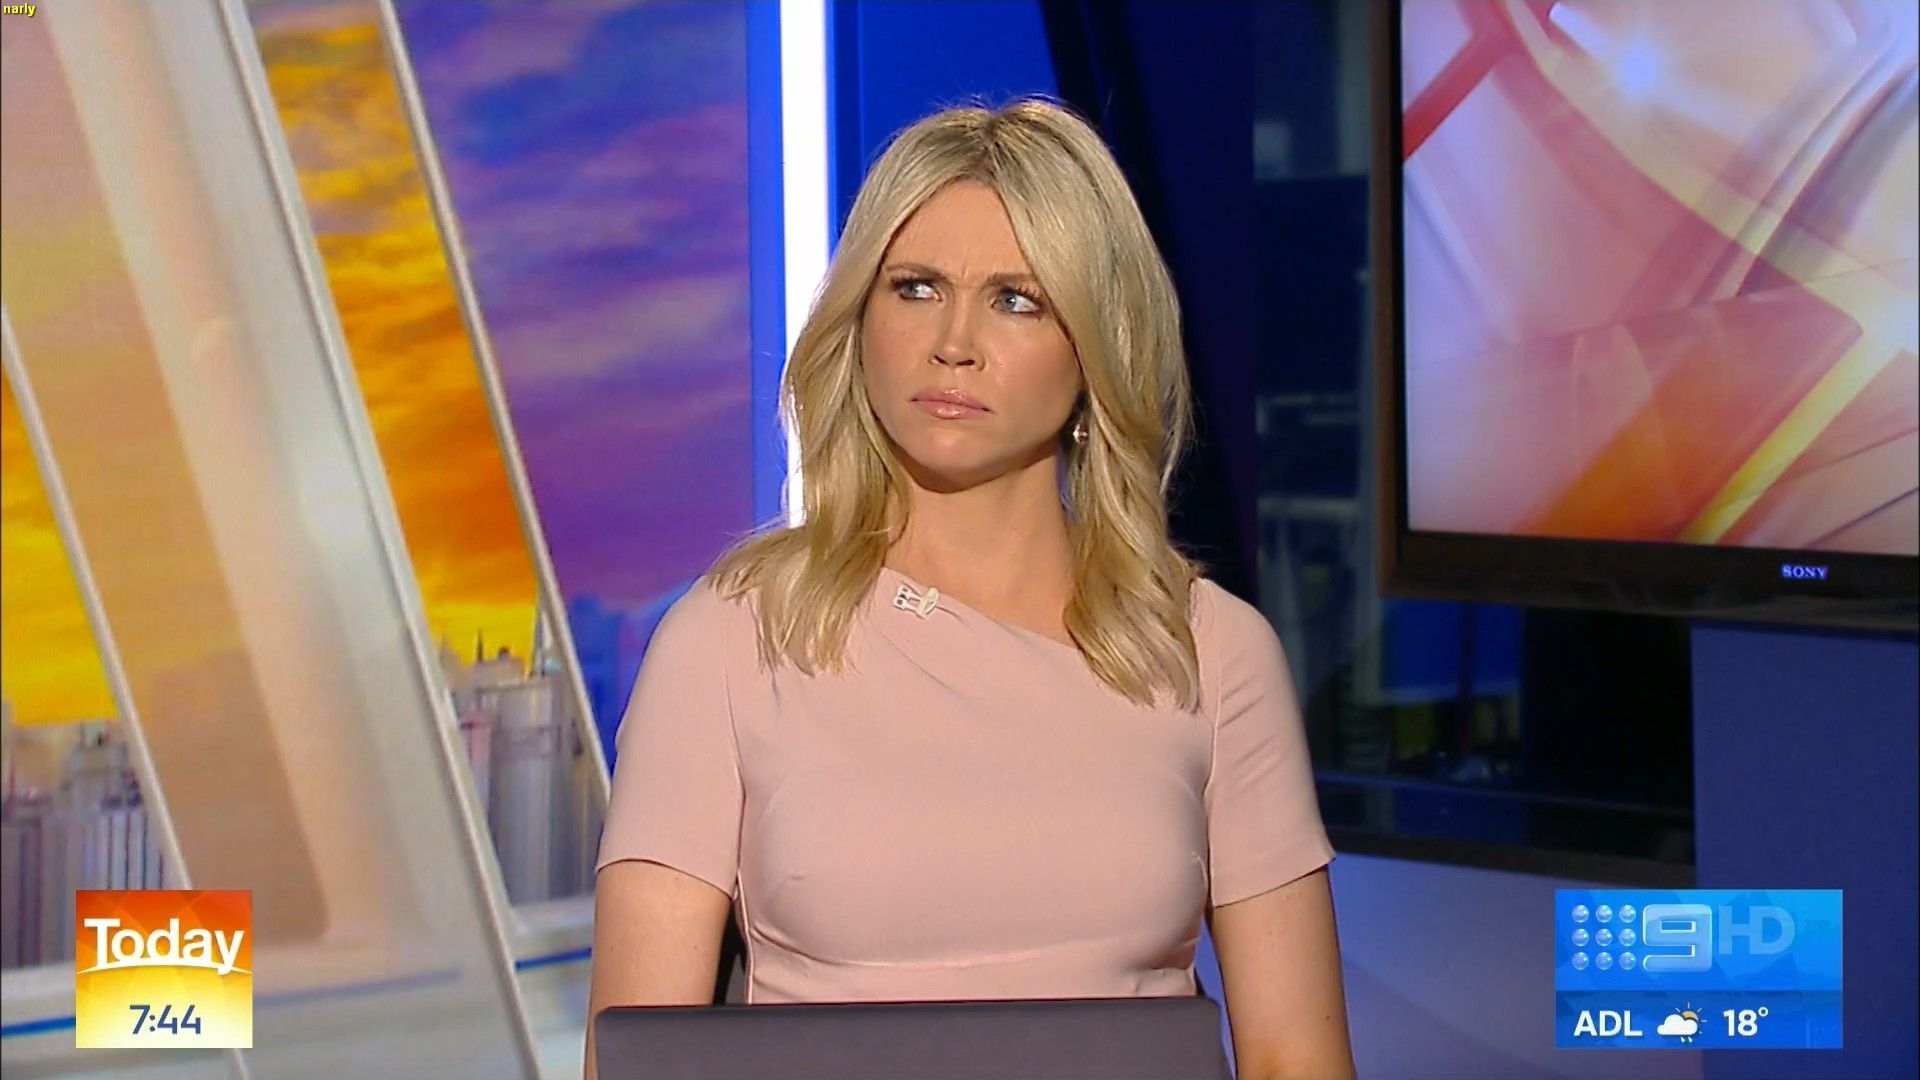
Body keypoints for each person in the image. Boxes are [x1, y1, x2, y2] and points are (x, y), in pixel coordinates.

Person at [585, 97, 1354, 1080]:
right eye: (915, 288)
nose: (954, 341)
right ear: (860, 321)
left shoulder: (1212, 652)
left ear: (1096, 348)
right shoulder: (729, 641)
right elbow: (631, 1058)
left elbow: (1296, 1057)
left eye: (1016, 300)